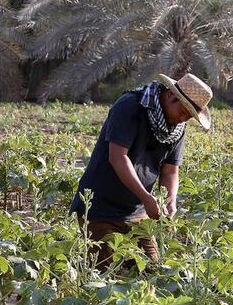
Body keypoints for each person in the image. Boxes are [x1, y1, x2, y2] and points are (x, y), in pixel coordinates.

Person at [70, 73, 212, 271]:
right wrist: (146, 198)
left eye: (189, 116)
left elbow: (171, 170)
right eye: (182, 112)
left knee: (150, 271)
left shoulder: (177, 129)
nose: (183, 119)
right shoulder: (130, 106)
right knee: (102, 274)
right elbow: (118, 157)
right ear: (171, 94)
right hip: (100, 207)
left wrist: (169, 201)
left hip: (137, 211)